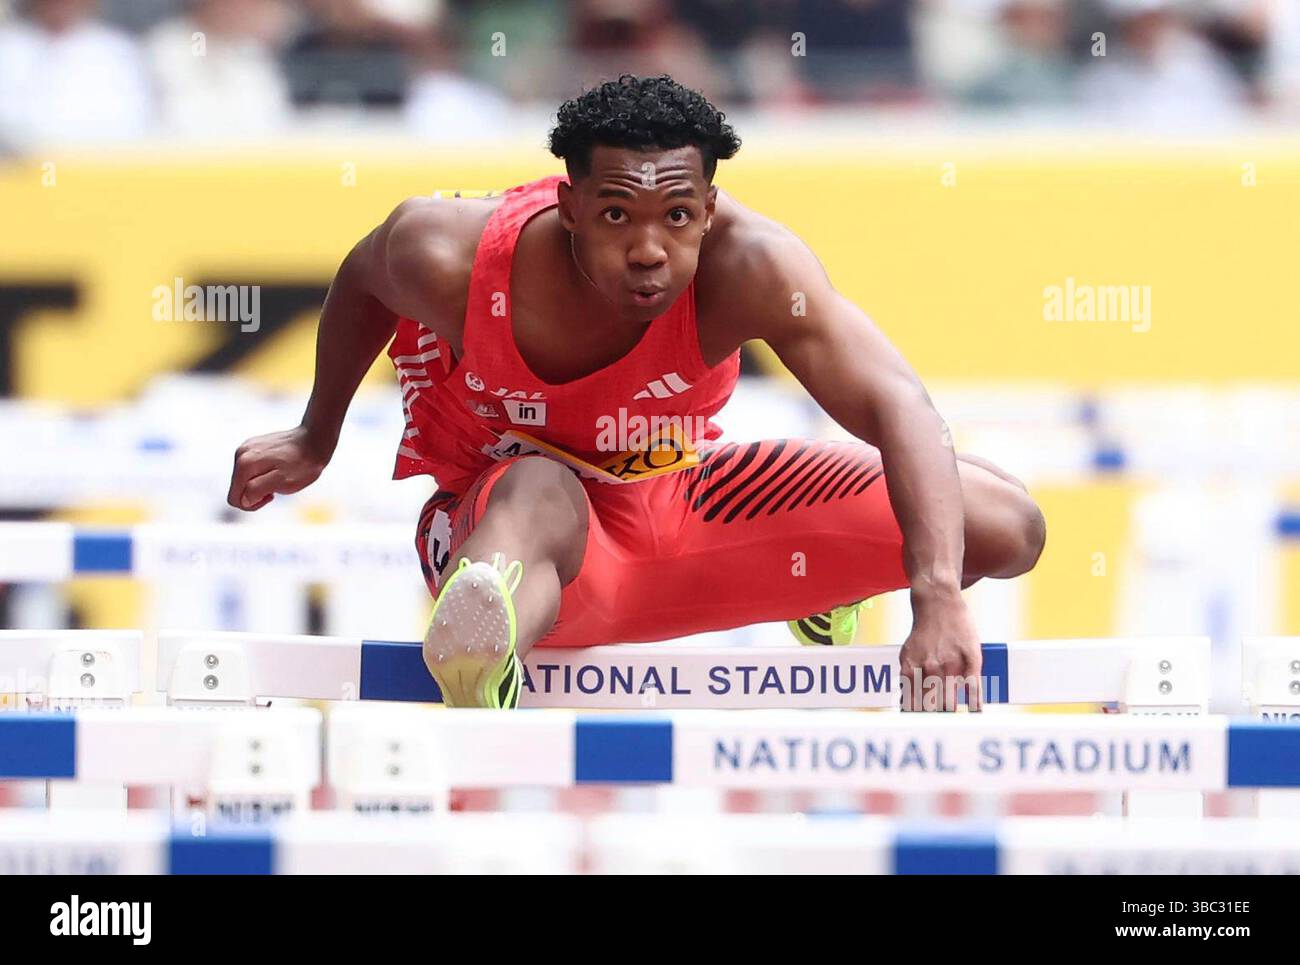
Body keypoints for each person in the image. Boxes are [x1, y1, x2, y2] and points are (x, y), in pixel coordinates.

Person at [226, 74, 1046, 712]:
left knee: (1007, 526)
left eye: (679, 217)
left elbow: (901, 404)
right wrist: (315, 434)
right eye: (618, 217)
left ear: (711, 209)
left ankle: (825, 585)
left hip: (683, 504)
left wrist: (935, 596)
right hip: (537, 546)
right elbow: (364, 281)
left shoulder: (754, 268)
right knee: (540, 489)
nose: (651, 250)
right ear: (570, 205)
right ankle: (482, 647)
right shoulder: (447, 253)